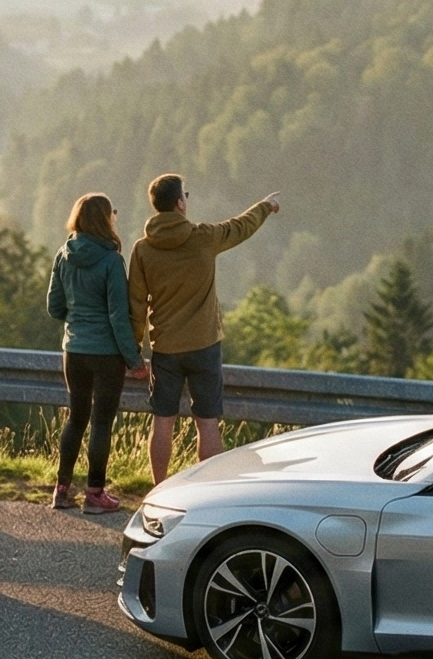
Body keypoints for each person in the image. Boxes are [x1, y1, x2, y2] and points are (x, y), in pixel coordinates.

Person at [127, 173, 279, 482]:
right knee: (207, 422)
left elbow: (136, 305)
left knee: (163, 422)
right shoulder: (203, 238)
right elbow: (241, 226)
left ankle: (158, 489)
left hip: (165, 348)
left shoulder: (143, 249)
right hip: (204, 346)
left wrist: (133, 352)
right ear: (180, 203)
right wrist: (265, 206)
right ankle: (206, 491)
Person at [44, 192, 140, 513]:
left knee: (76, 417)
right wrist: (134, 359)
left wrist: (77, 320)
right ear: (103, 219)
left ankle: (61, 490)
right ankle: (95, 495)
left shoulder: (63, 254)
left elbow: (54, 306)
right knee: (101, 423)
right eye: (112, 212)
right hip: (107, 354)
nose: (115, 216)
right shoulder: (112, 261)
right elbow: (117, 315)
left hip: (74, 350)